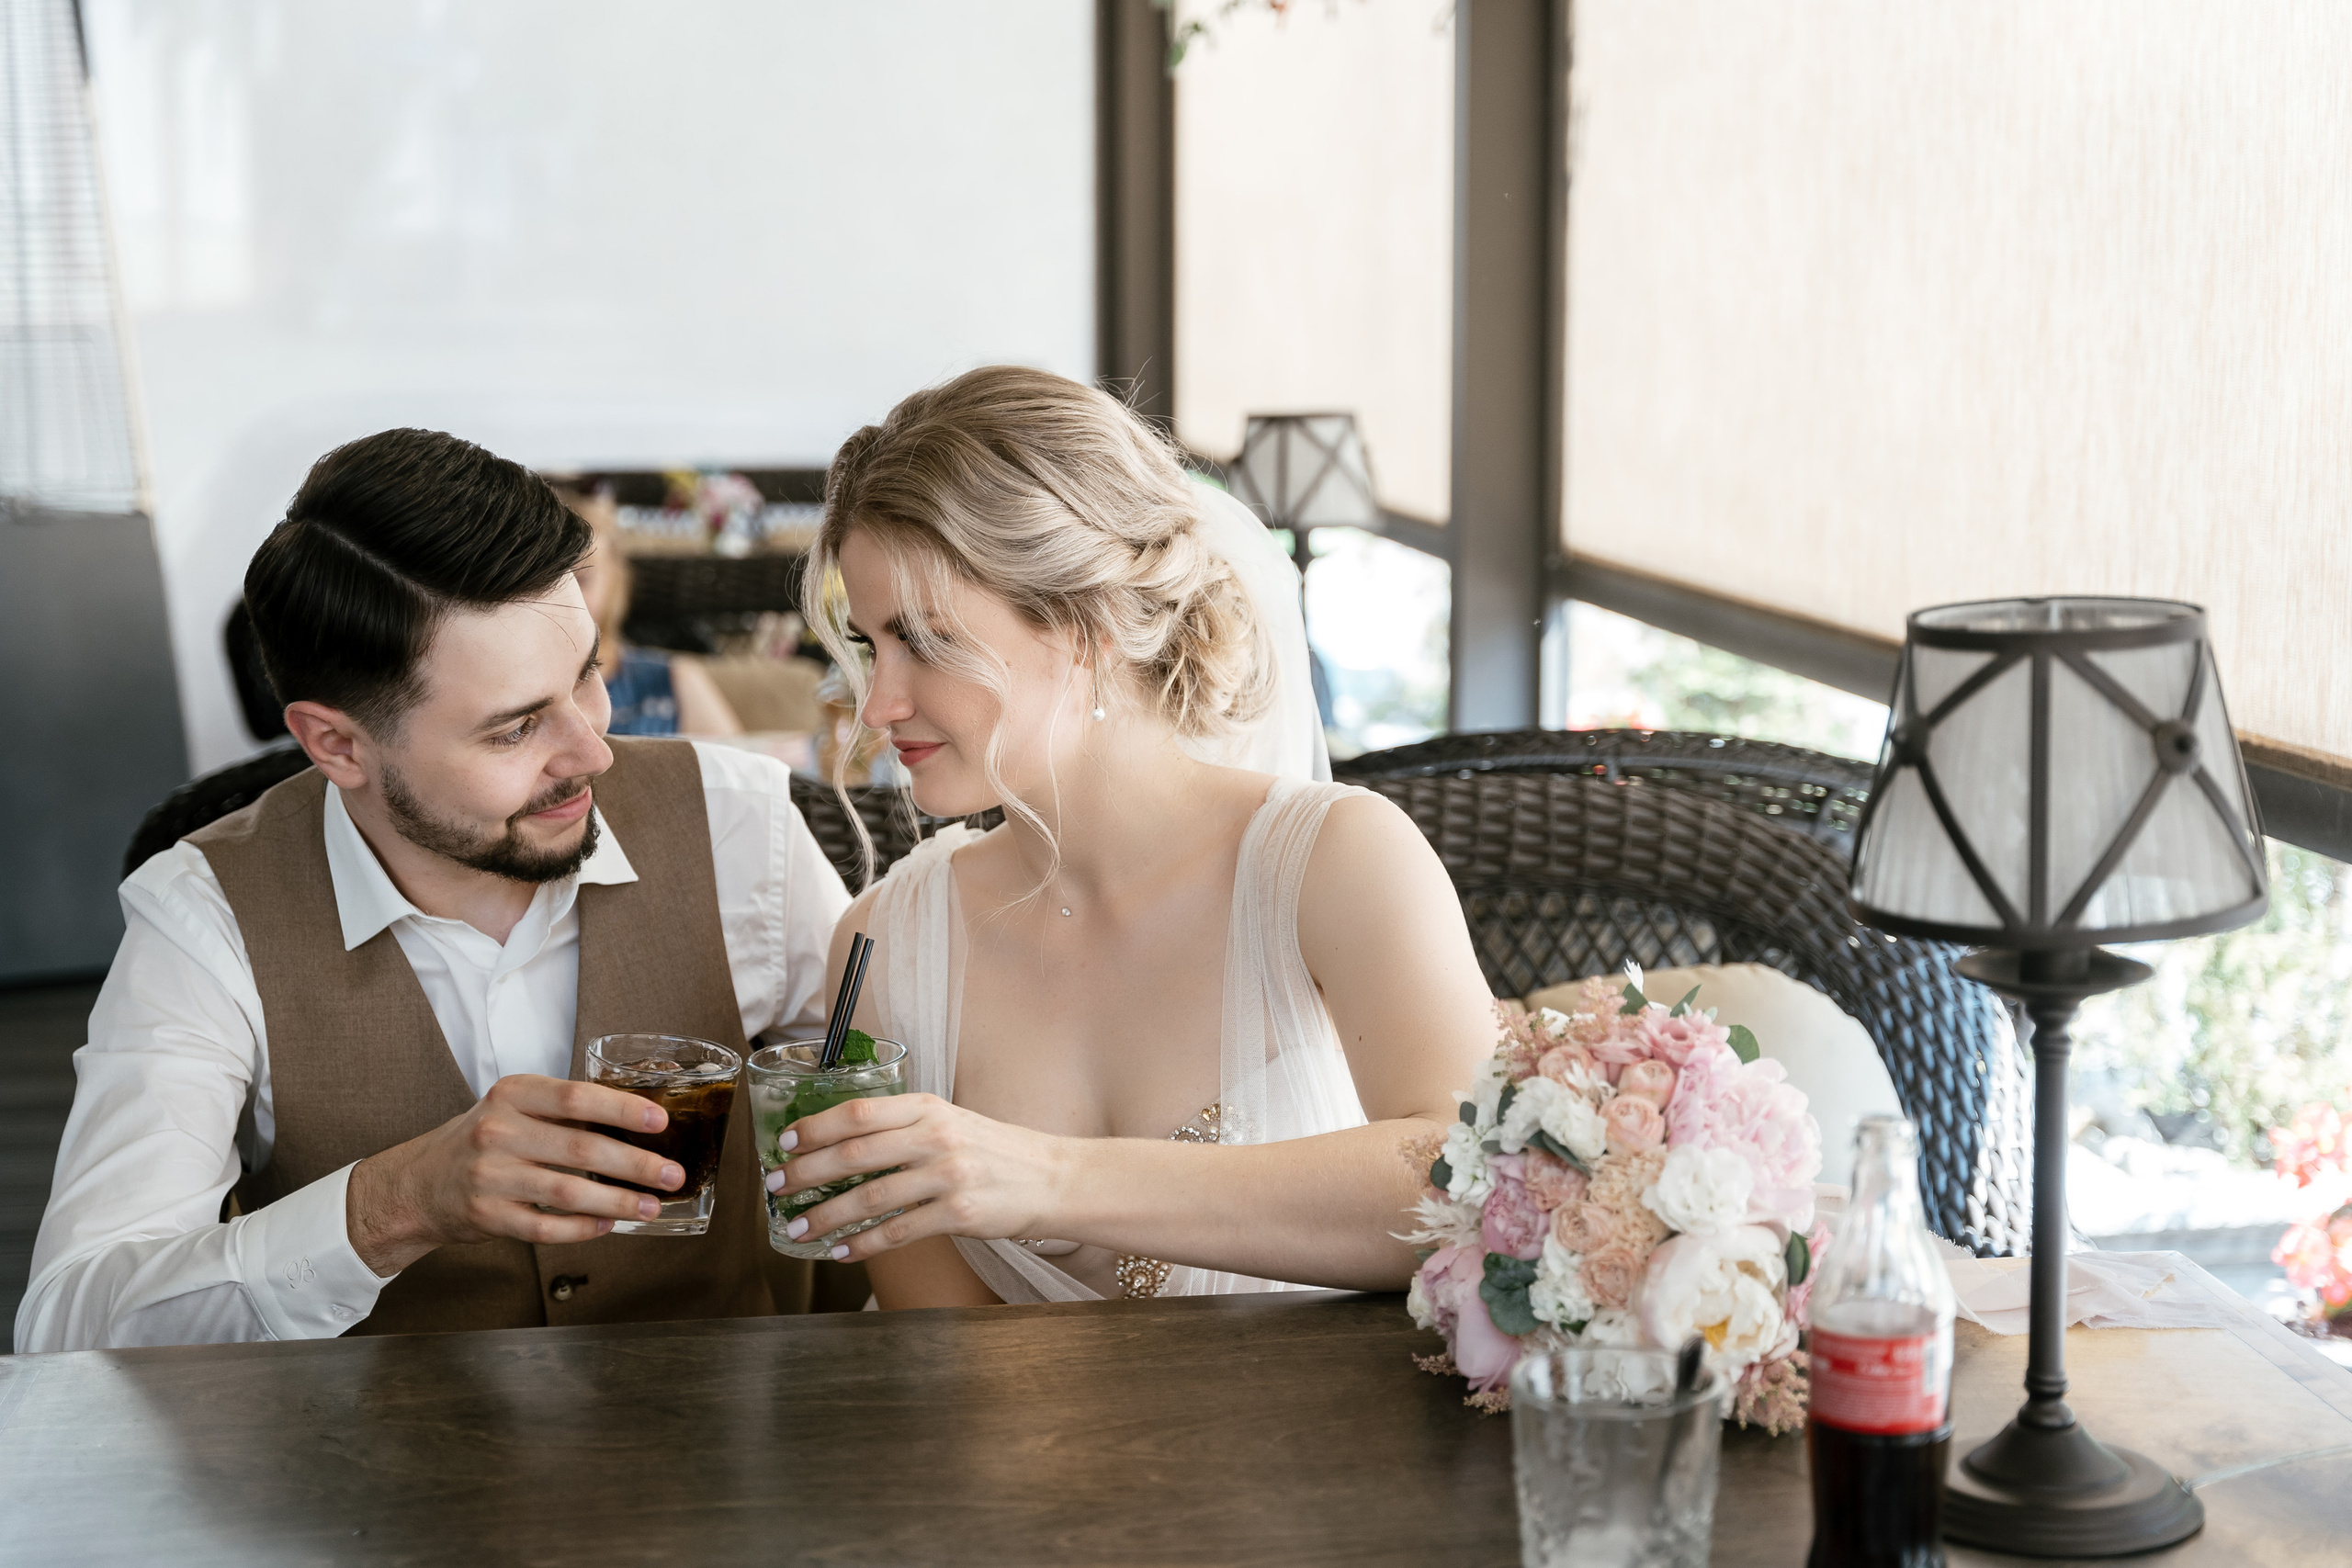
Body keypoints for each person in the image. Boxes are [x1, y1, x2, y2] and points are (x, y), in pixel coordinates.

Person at [17, 429, 849, 1352]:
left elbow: (887, 1131)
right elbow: (74, 1325)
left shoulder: (741, 827)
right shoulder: (203, 916)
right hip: (376, 1482)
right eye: (513, 730)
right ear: (336, 744)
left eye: (587, 676)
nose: (593, 752)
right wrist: (394, 1205)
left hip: (733, 1452)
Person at [773, 367, 1498, 1307]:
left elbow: (1483, 1182)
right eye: (873, 644)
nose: (878, 704)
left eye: (928, 642)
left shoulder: (1336, 861)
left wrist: (1047, 1178)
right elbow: (940, 1355)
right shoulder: (879, 949)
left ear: (1089, 625)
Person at [558, 483, 744, 738]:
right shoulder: (513, 693)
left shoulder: (676, 679)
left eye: (582, 579)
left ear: (614, 581)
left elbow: (734, 770)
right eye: (548, 582)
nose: (563, 598)